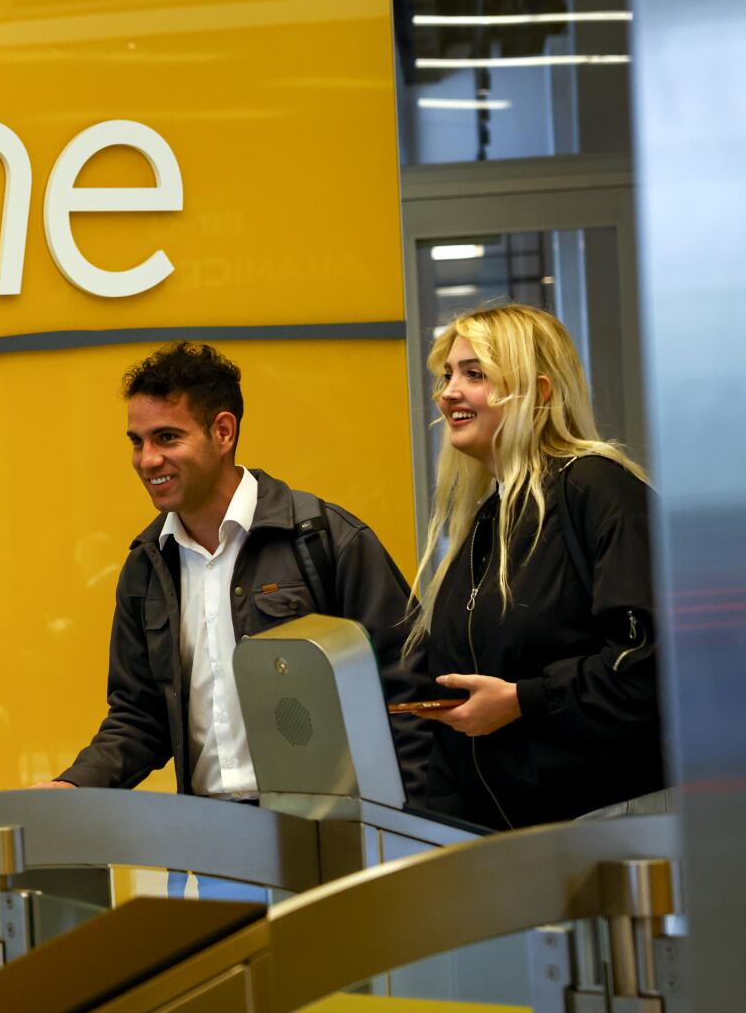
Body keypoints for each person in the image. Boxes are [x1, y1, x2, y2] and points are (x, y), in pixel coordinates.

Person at [37, 343, 433, 823]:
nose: (147, 460)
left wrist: (411, 832)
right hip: (214, 840)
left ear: (223, 432)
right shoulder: (146, 567)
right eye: (137, 441)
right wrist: (74, 784)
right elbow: (140, 718)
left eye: (166, 437)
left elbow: (407, 694)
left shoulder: (325, 539)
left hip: (333, 833)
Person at [404, 303, 661, 830]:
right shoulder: (488, 519)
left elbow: (648, 664)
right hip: (505, 841)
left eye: (474, 374)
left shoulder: (598, 490)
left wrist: (526, 700)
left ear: (540, 392)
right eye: (448, 374)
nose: (448, 391)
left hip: (606, 829)